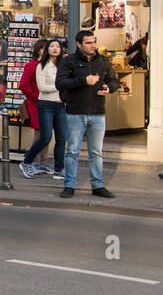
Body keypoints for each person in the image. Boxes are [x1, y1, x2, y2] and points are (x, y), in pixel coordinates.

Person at [55, 29, 118, 199]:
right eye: (88, 43)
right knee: (72, 151)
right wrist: (84, 81)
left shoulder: (103, 61)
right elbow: (60, 83)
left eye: (94, 42)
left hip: (98, 112)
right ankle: (69, 185)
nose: (93, 46)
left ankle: (98, 185)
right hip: (75, 112)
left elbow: (113, 80)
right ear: (79, 44)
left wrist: (108, 88)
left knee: (96, 152)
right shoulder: (69, 61)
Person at [20, 40, 66, 178]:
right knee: (43, 137)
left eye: (57, 46)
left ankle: (54, 166)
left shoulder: (62, 66)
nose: (54, 49)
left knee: (60, 138)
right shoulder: (38, 66)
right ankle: (30, 162)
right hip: (43, 104)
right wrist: (60, 86)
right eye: (50, 46)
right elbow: (29, 85)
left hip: (60, 104)